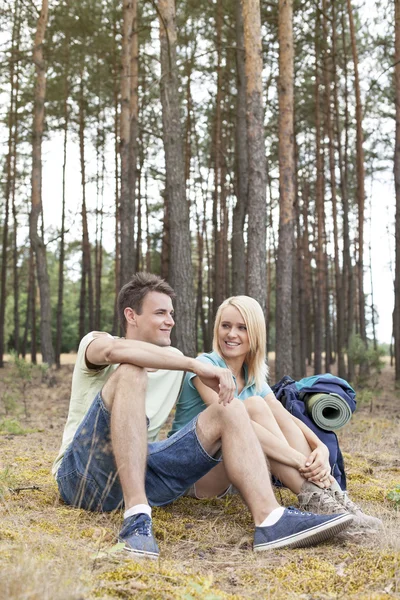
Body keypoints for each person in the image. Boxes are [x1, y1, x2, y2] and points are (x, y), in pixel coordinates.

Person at [53, 273, 353, 559]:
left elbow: (258, 407)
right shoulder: (96, 341)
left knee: (231, 407)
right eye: (160, 313)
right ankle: (136, 518)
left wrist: (317, 447)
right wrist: (195, 366)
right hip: (83, 475)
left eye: (171, 313)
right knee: (131, 369)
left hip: (143, 472)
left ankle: (270, 519)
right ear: (132, 316)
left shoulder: (173, 360)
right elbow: (112, 352)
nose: (170, 321)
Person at [170, 295, 381, 529]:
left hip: (228, 472)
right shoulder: (205, 367)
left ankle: (329, 495)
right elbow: (230, 418)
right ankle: (317, 498)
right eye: (226, 326)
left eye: (242, 328)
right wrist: (300, 461)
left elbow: (283, 415)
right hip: (191, 475)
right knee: (245, 409)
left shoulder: (252, 375)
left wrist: (319, 447)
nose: (231, 334)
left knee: (261, 405)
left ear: (256, 334)